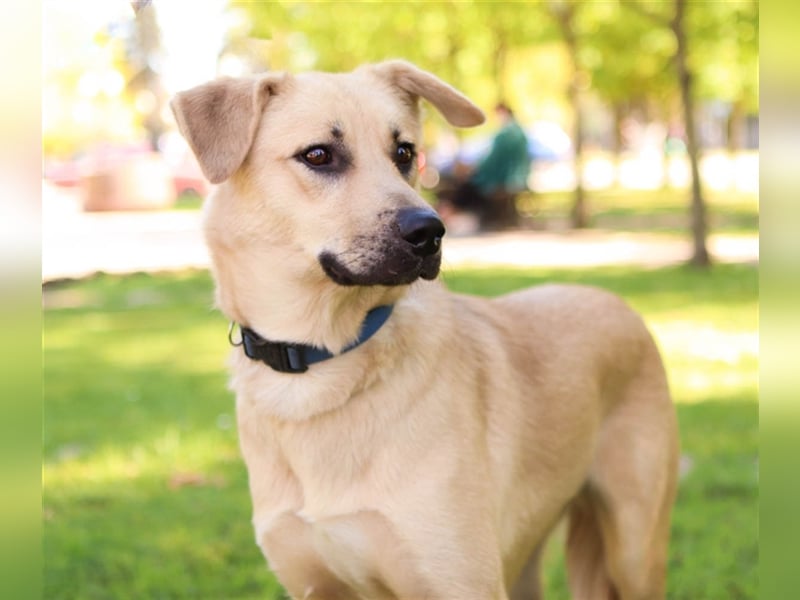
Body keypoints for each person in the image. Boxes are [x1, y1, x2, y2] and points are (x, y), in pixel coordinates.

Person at [449, 103, 531, 229]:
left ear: (502, 112)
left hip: (503, 179)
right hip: (518, 178)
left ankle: (450, 211)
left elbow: (491, 162)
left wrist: (472, 169)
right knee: (469, 184)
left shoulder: (504, 134)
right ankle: (452, 211)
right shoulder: (521, 132)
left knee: (467, 185)